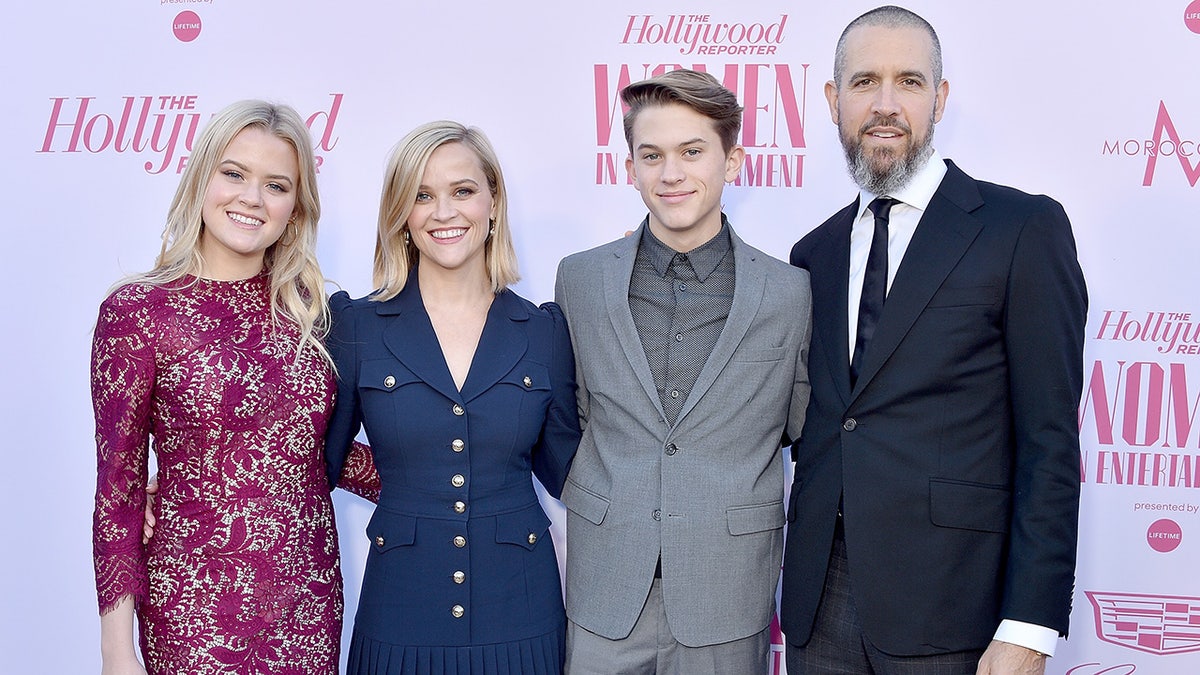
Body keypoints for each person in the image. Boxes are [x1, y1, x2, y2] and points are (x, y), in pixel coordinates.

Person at [779, 6, 1087, 674]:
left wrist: (1029, 625)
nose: (885, 104)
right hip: (817, 602)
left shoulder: (1020, 229)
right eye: (864, 82)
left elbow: (1050, 441)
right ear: (833, 101)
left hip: (955, 607)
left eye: (909, 82)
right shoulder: (814, 254)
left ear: (940, 98)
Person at [554, 69, 812, 674]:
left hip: (727, 592)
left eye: (692, 152)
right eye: (652, 155)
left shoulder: (789, 291)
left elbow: (797, 423)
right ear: (629, 168)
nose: (671, 174)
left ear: (734, 161)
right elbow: (571, 414)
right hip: (605, 588)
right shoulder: (581, 280)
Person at [91, 100, 347, 674]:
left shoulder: (314, 315)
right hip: (191, 609)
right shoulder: (137, 312)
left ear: (296, 210)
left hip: (306, 604)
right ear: (202, 179)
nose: (251, 198)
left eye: (276, 184)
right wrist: (115, 651)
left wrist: (464, 468)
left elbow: (314, 454)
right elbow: (119, 489)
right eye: (234, 174)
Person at [323, 120, 581, 675]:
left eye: (462, 191)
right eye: (422, 195)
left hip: (523, 613)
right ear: (402, 215)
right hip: (399, 613)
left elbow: (570, 471)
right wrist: (193, 490)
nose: (444, 212)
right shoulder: (356, 326)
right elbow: (314, 463)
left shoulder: (543, 330)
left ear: (493, 203)